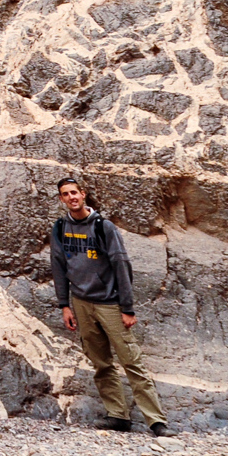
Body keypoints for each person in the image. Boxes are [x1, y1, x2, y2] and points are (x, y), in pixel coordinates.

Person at [49, 175, 176, 437]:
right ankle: (117, 415)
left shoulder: (103, 227)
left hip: (109, 304)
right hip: (81, 303)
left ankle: (156, 422)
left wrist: (127, 308)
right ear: (61, 199)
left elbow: (121, 265)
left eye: (74, 192)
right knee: (101, 363)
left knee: (132, 362)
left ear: (83, 194)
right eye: (66, 194)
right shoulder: (60, 227)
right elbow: (59, 267)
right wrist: (64, 305)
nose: (71, 197)